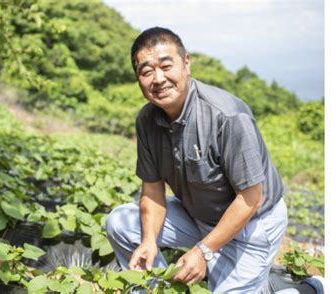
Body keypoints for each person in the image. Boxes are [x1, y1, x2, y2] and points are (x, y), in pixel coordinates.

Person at [105, 27, 322, 293]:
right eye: (146, 71)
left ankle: (309, 288)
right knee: (120, 222)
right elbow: (152, 189)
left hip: (252, 225)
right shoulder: (147, 120)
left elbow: (251, 198)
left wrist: (203, 251)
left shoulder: (226, 116)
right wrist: (149, 240)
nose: (158, 79)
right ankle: (159, 288)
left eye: (166, 65)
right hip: (200, 215)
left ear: (187, 63)